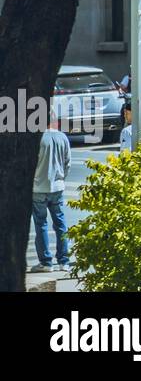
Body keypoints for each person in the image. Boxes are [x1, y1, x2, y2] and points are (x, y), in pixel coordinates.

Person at [31, 116, 72, 273]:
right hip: (57, 187)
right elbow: (67, 162)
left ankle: (46, 262)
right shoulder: (62, 137)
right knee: (60, 224)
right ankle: (64, 261)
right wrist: (61, 178)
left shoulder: (37, 138)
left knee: (41, 224)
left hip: (38, 188)